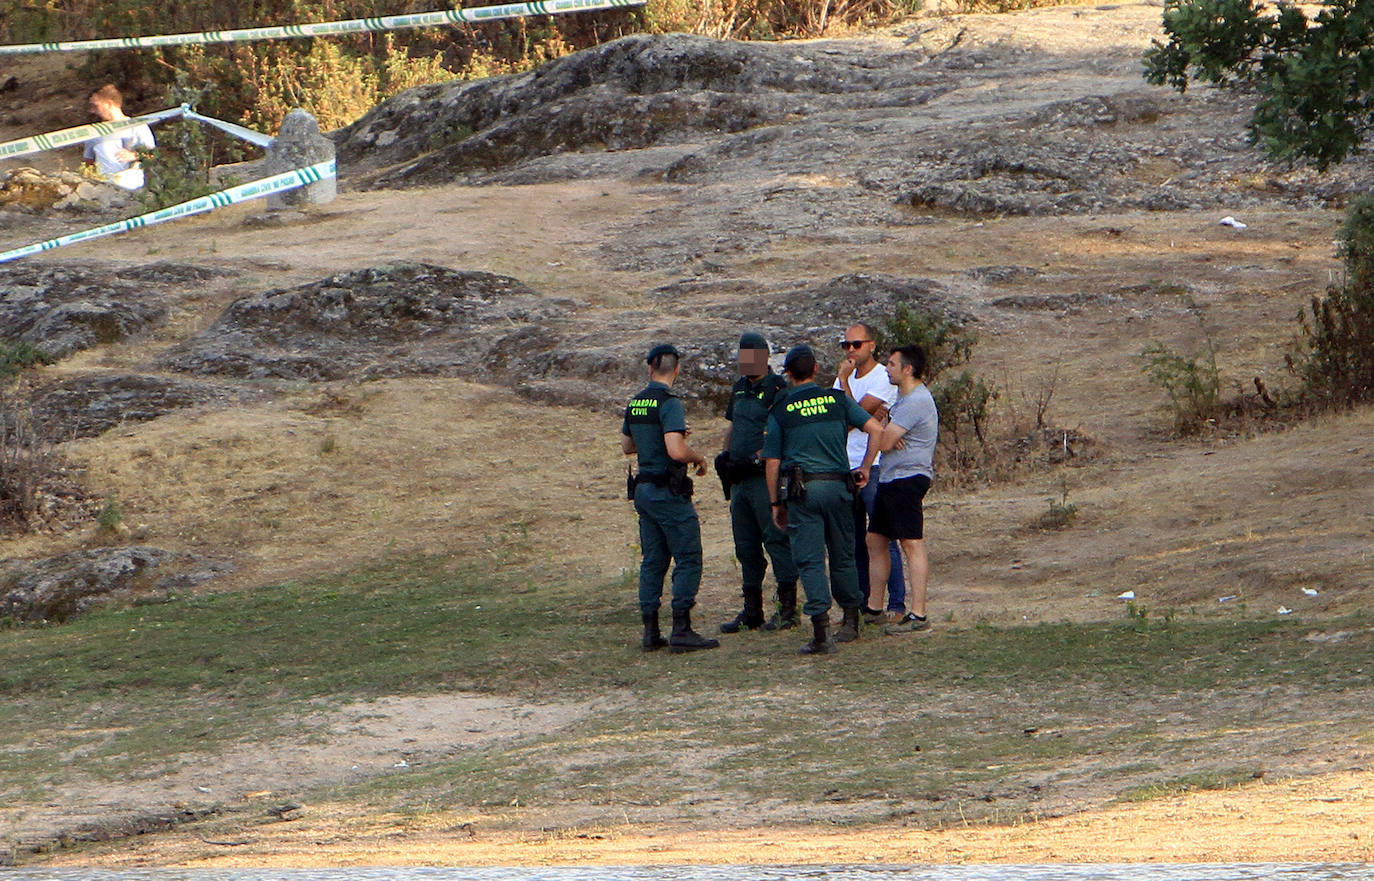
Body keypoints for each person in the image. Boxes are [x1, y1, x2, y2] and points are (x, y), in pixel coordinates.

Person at [764, 344, 884, 655]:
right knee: (843, 555)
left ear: (788, 374)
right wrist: (867, 467)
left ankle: (820, 631)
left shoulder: (782, 408)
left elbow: (773, 461)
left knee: (811, 559)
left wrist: (776, 503)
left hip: (803, 493)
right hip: (840, 487)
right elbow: (874, 428)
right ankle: (851, 619)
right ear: (816, 370)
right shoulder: (837, 399)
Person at [621, 343, 719, 654]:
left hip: (643, 489)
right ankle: (681, 629)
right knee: (688, 557)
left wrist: (662, 437)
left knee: (653, 560)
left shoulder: (636, 403)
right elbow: (676, 451)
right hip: (667, 491)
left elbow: (627, 446)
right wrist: (697, 457)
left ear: (650, 368)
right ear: (676, 369)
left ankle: (650, 632)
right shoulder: (670, 403)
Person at [716, 331, 799, 634]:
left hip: (764, 478)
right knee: (745, 544)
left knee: (776, 539)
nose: (744, 362)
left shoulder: (778, 389)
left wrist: (754, 459)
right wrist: (725, 456)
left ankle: (788, 608)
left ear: (764, 358)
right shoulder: (739, 388)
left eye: (750, 355)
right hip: (739, 481)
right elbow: (734, 425)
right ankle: (752, 610)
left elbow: (782, 434)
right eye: (741, 356)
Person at [833, 321, 906, 625]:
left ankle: (897, 602)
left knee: (882, 536)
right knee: (853, 541)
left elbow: (853, 415)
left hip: (873, 466)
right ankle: (863, 603)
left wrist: (843, 381)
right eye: (846, 345)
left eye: (856, 345)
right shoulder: (846, 382)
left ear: (871, 345)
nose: (851, 350)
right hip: (844, 465)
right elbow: (842, 417)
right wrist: (859, 414)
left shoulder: (882, 378)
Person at [866, 344, 939, 634]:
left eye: (892, 364)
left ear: (907, 369)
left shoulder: (916, 401)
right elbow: (886, 432)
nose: (887, 368)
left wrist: (885, 428)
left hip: (907, 478)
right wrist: (886, 427)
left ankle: (918, 614)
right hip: (890, 477)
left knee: (911, 543)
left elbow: (883, 440)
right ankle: (873, 608)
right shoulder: (902, 399)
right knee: (875, 539)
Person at [83, 84, 155, 191]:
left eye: (96, 106)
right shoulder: (95, 131)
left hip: (131, 187)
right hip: (103, 188)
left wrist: (134, 155)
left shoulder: (137, 126)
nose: (92, 111)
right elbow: (88, 162)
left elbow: (153, 154)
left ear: (109, 104)